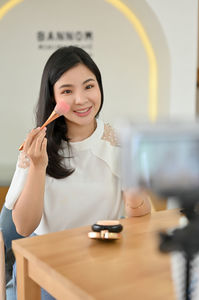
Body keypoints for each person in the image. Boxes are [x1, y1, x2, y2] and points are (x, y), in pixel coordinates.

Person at [2, 46, 151, 299]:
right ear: (52, 98)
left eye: (89, 86)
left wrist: (133, 192)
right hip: (44, 267)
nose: (81, 99)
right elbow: (23, 228)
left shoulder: (120, 143)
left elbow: (142, 214)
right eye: (67, 91)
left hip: (102, 263)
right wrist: (37, 166)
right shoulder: (36, 147)